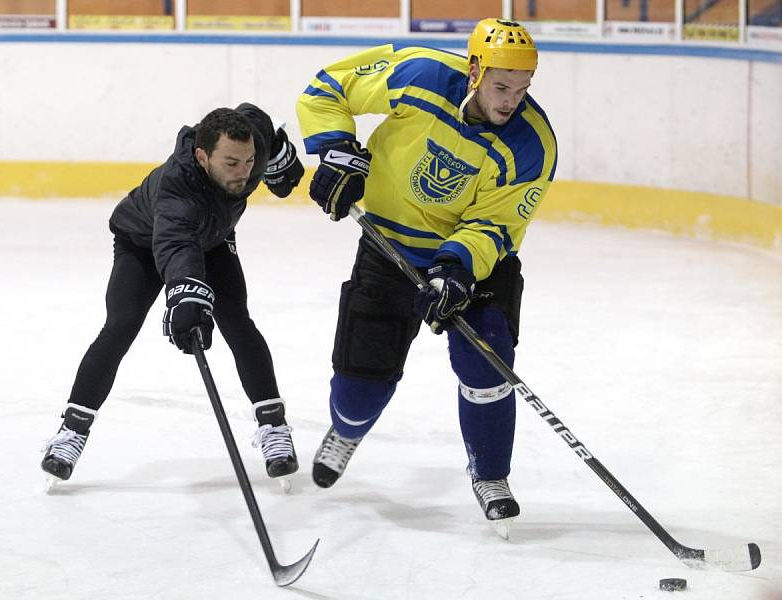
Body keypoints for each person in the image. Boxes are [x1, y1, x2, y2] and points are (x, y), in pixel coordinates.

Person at [296, 19, 557, 527]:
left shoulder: (533, 143)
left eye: (522, 89)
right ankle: (347, 430)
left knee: (487, 360)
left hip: (471, 266)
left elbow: (496, 224)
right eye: (501, 87)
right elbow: (327, 88)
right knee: (360, 386)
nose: (511, 101)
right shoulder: (421, 71)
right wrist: (336, 150)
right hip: (387, 245)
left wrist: (457, 267)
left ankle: (490, 474)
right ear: (475, 70)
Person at [41, 104, 305, 484]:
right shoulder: (177, 190)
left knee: (237, 321)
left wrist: (280, 151)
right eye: (231, 163)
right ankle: (71, 431)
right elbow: (175, 243)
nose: (244, 172)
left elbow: (256, 115)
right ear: (202, 156)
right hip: (145, 243)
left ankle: (274, 428)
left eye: (250, 161)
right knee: (121, 324)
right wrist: (187, 296)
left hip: (211, 238)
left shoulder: (252, 143)